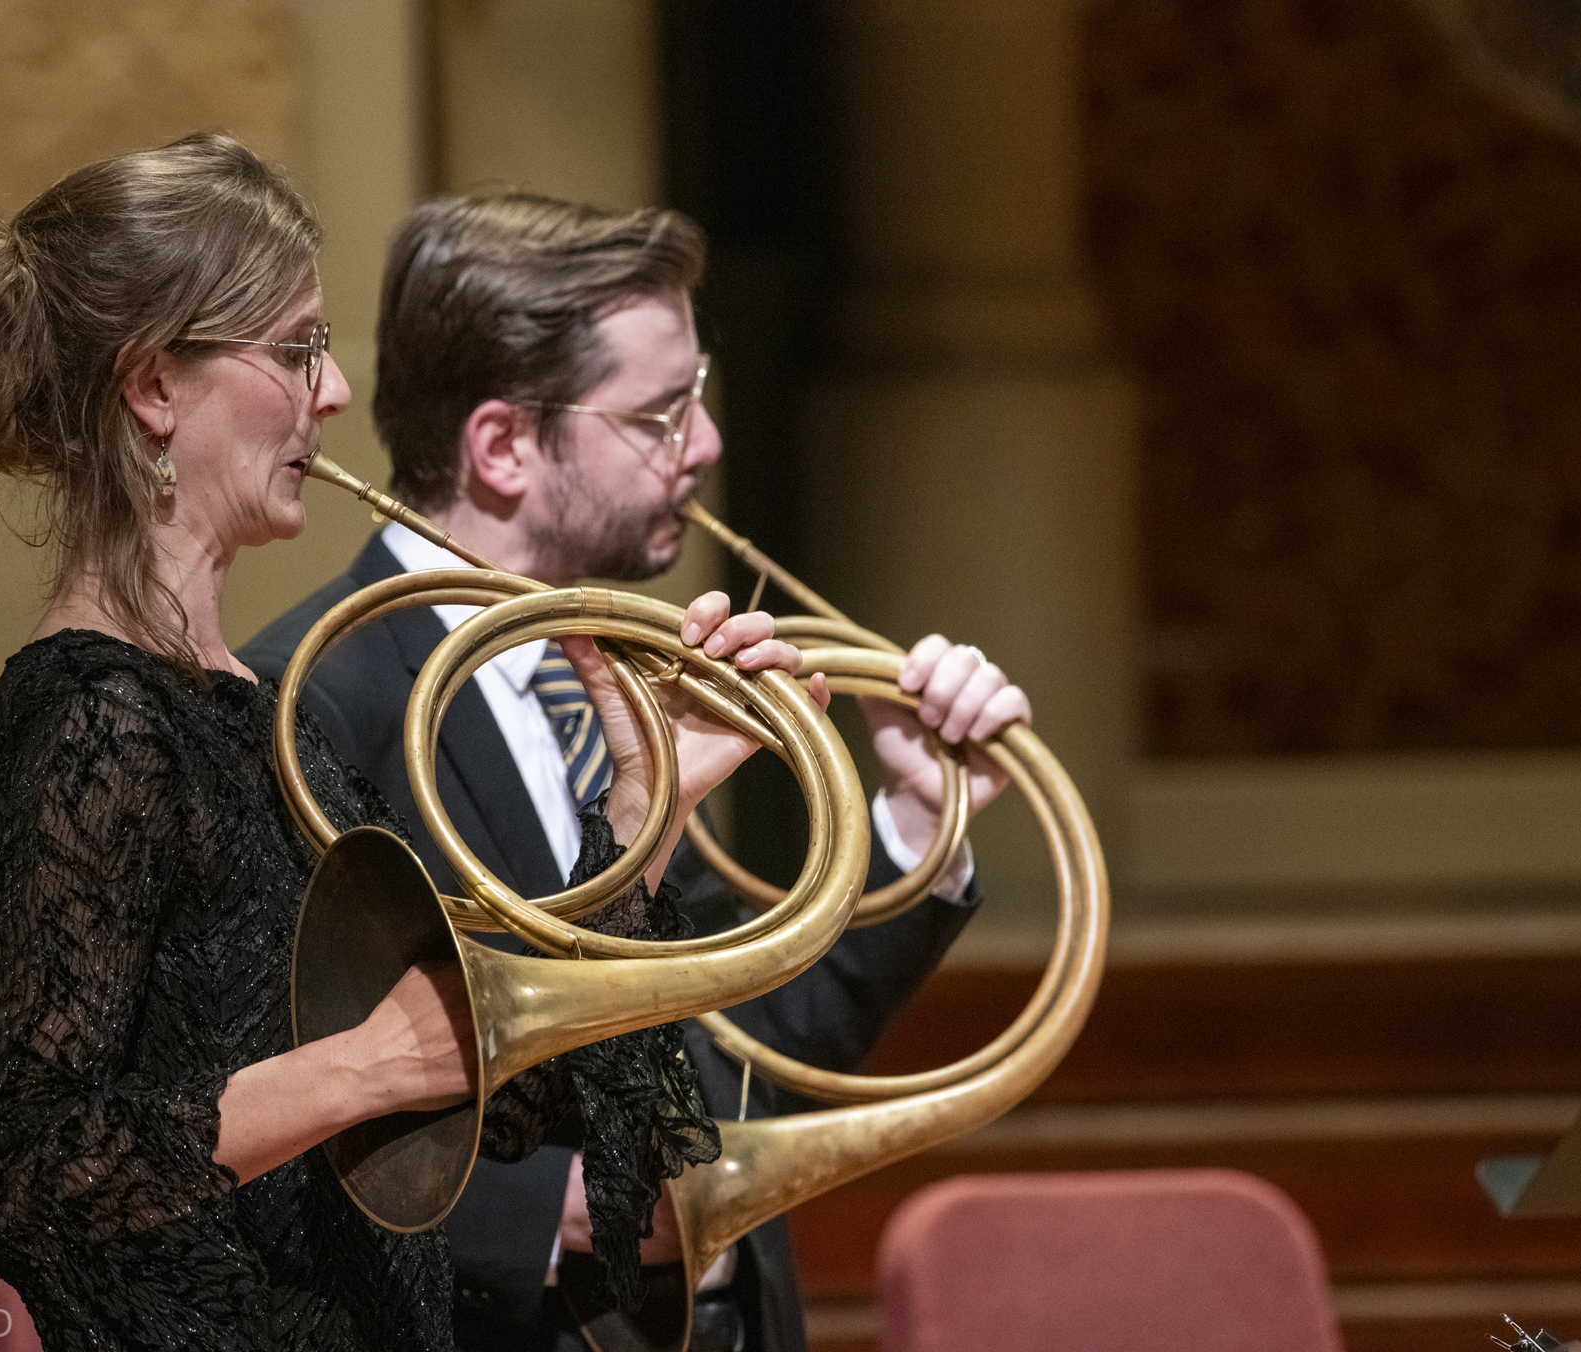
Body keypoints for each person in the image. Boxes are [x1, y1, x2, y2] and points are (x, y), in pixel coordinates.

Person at [0, 136, 806, 1352]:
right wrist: (363, 1068)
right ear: (154, 386)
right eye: (295, 349)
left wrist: (652, 810)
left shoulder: (248, 705)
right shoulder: (96, 714)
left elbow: (489, 1084)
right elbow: (24, 1167)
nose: (333, 395)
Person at [239, 192, 1031, 1352]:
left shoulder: (631, 666)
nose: (705, 445)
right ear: (504, 445)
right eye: (661, 415)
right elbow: (247, 1122)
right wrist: (531, 1213)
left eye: (697, 397)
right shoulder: (305, 703)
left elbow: (728, 1065)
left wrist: (912, 822)